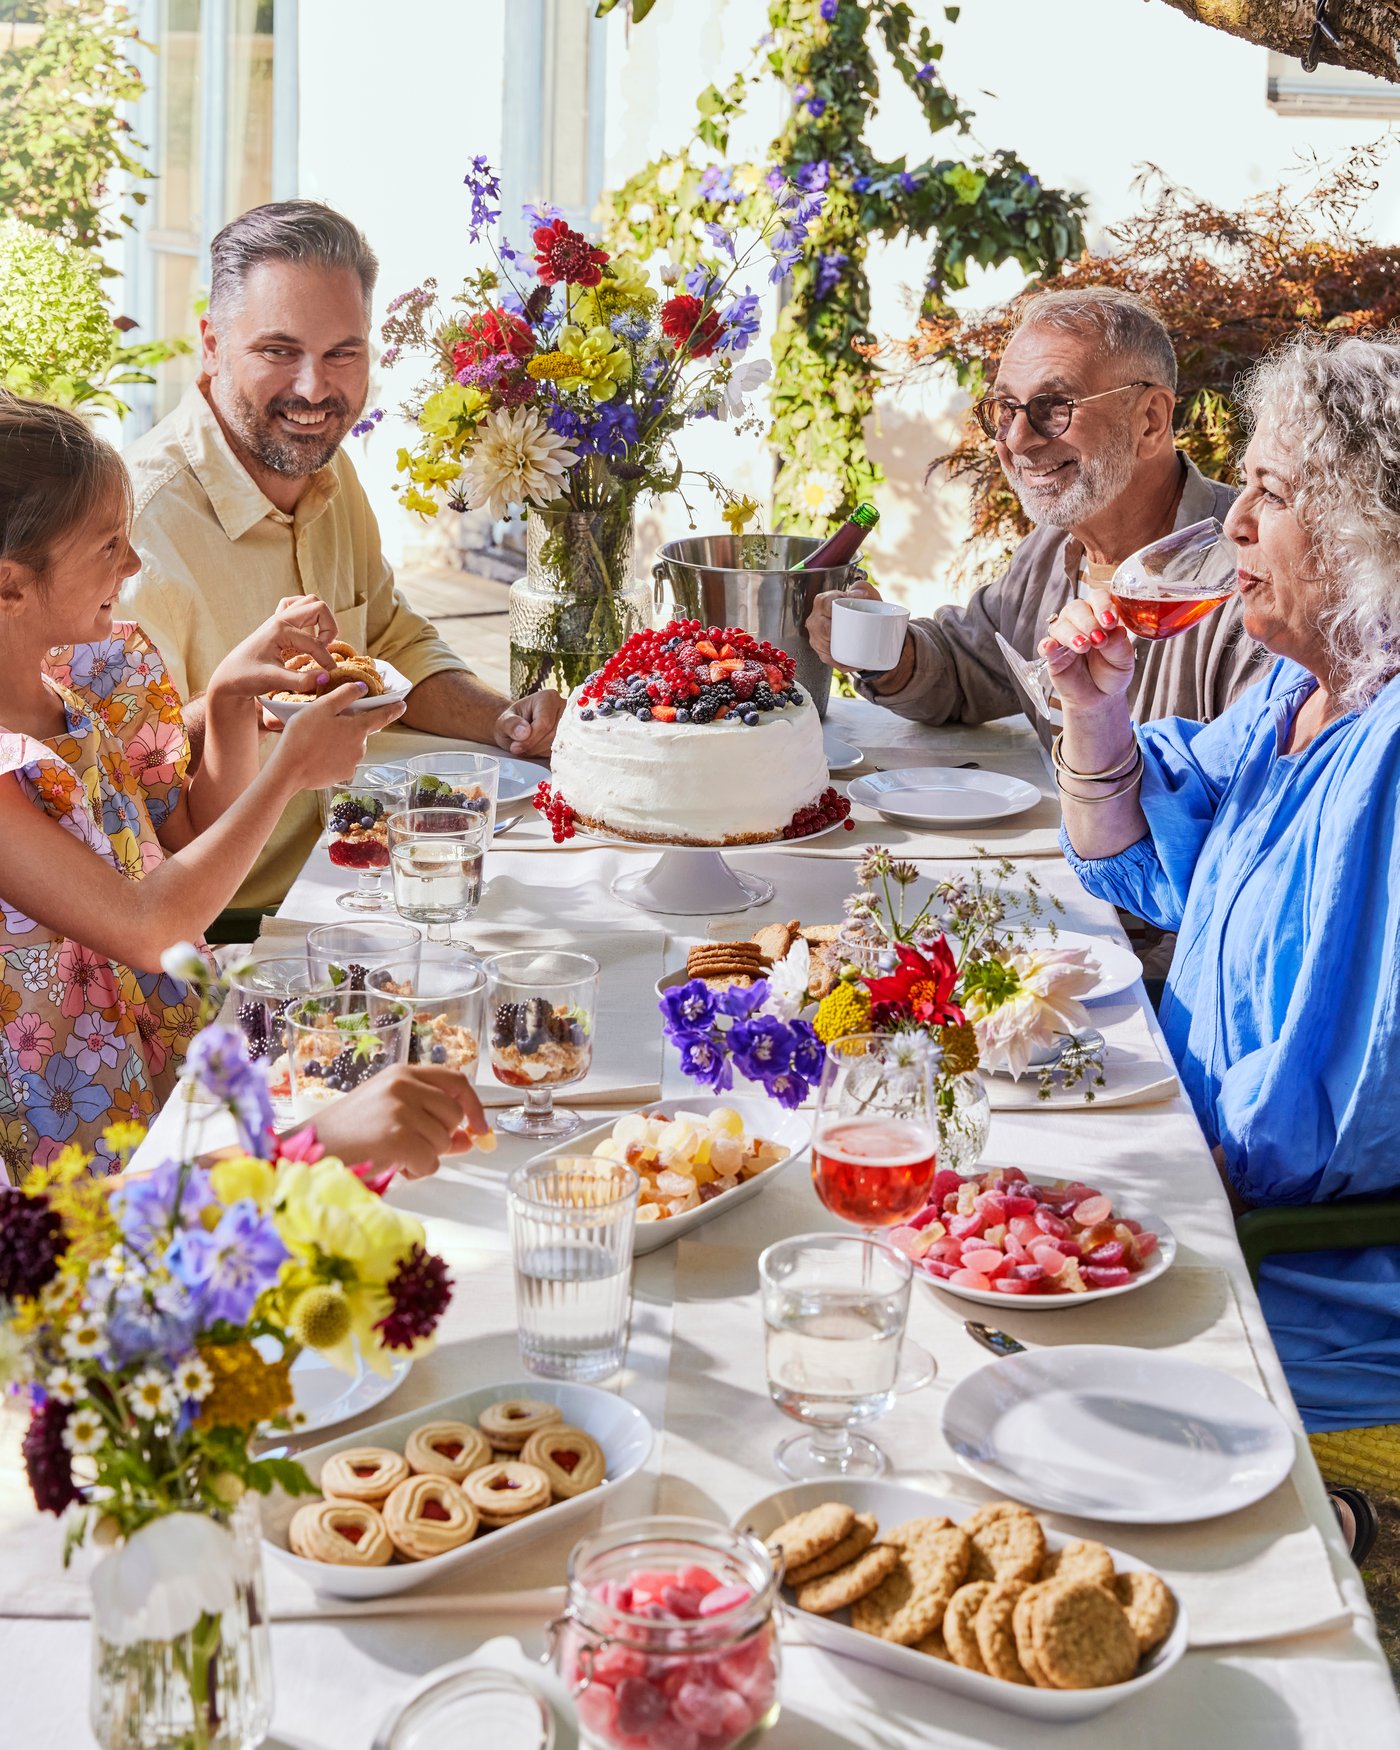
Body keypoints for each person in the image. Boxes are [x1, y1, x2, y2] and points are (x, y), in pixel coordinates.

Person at [1045, 331, 1400, 1548]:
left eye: (1273, 493)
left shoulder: (1391, 758)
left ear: (1372, 536)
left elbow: (1328, 1113)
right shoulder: (1305, 689)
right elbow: (1151, 845)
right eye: (1238, 484)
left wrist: (1121, 1162)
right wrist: (1095, 716)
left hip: (1293, 1288)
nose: (1231, 523)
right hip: (1201, 1193)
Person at [0, 392, 483, 1180]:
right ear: (10, 586)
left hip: (169, 1058)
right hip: (75, 1131)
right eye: (108, 546)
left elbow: (181, 843)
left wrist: (228, 702)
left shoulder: (71, 680)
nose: (132, 564)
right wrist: (291, 768)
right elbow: (153, 922)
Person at [123, 200, 565, 911]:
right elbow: (120, 774)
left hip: (359, 878)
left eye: (342, 353)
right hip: (233, 929)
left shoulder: (328, 472)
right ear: (209, 343)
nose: (314, 388)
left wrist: (504, 720)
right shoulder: (139, 528)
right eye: (278, 351)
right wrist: (242, 707)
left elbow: (389, 640)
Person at [805, 287, 1261, 736]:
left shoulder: (1252, 572)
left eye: (1054, 407)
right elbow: (966, 667)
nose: (1017, 440)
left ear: (1150, 421)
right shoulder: (1047, 551)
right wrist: (885, 650)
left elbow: (1259, 793)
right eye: (1006, 409)